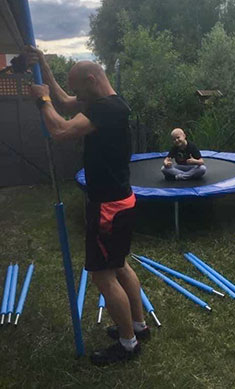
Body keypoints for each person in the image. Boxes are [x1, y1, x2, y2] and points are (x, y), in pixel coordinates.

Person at [25, 47, 149, 366]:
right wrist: (44, 69)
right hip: (122, 198)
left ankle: (127, 343)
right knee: (120, 265)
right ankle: (138, 326)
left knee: (102, 275)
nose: (76, 94)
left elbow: (60, 129)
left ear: (92, 80)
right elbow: (67, 102)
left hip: (107, 205)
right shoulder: (111, 102)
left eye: (79, 87)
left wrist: (42, 100)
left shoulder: (105, 110)